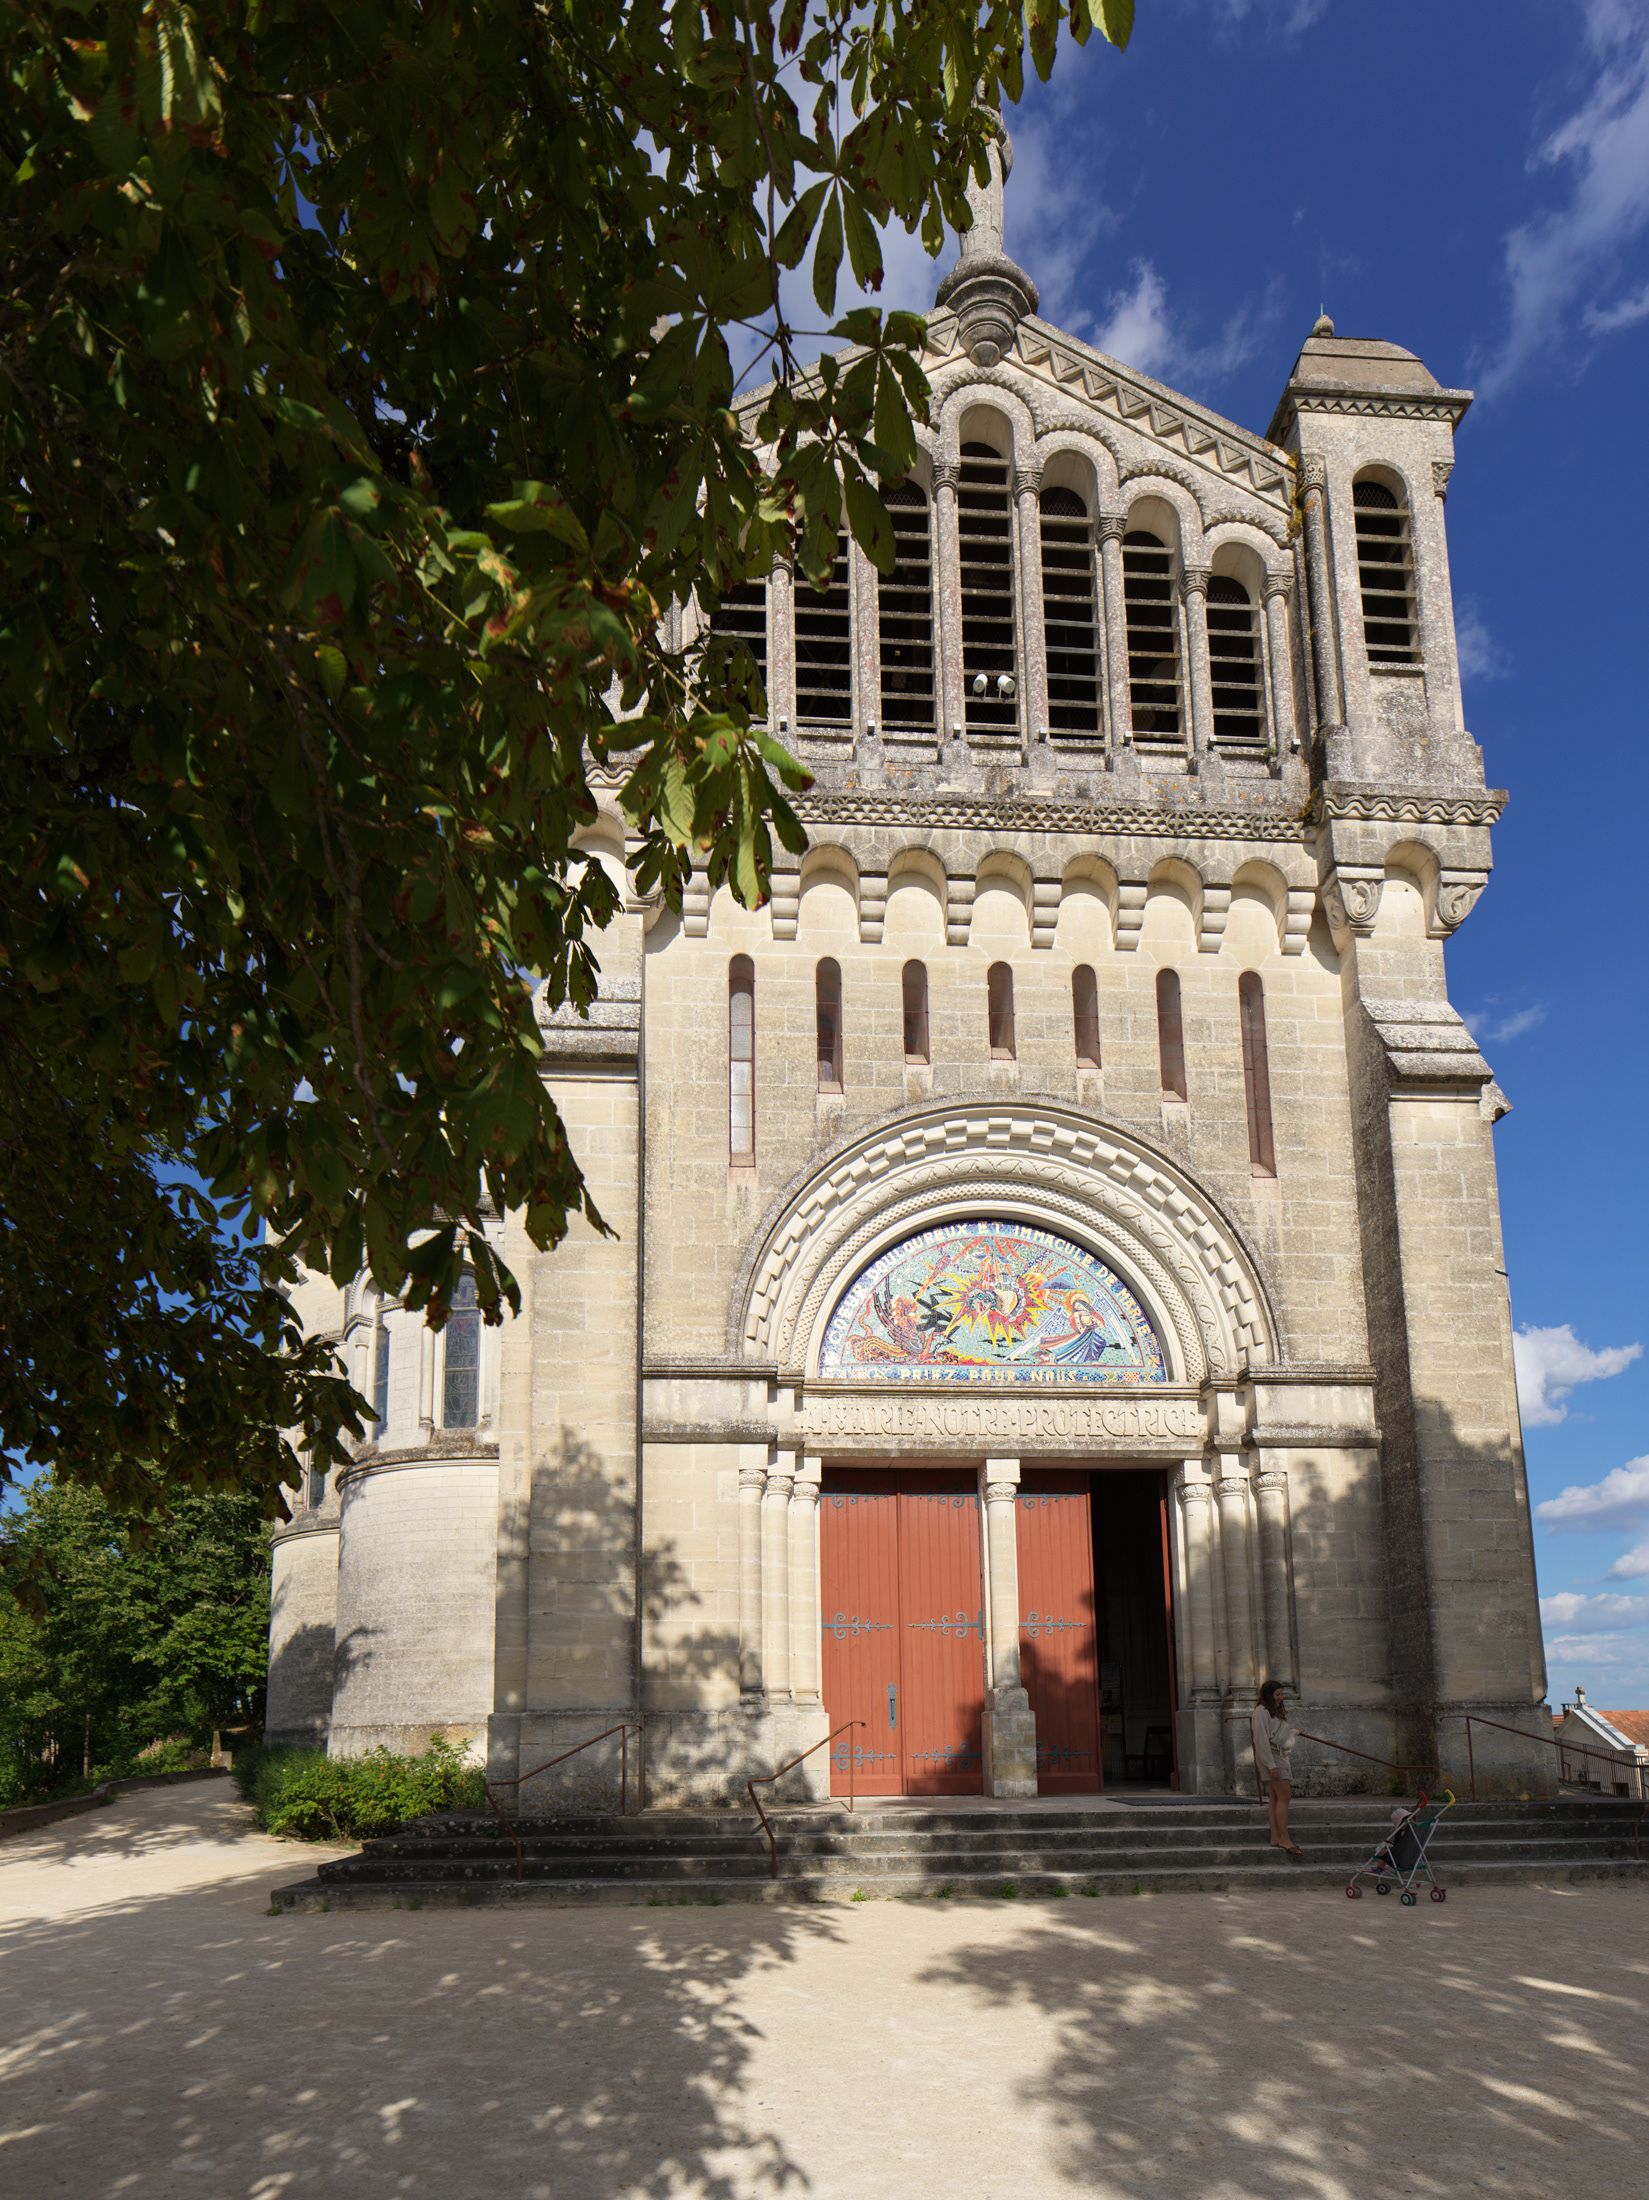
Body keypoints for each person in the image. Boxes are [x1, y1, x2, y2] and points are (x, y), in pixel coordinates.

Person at [1252, 1679, 1303, 1860]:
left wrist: (1295, 1732)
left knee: (1275, 1798)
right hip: (1272, 1758)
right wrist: (1271, 1764)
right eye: (1277, 1694)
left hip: (1278, 1756)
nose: (1281, 1698)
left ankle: (1275, 1837)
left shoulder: (1272, 1712)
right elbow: (1261, 1740)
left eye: (1282, 1694)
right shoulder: (1261, 1711)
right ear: (1268, 1695)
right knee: (1285, 1796)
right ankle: (1285, 1839)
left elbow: (1279, 1736)